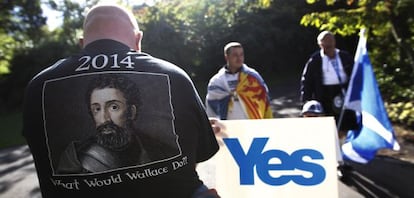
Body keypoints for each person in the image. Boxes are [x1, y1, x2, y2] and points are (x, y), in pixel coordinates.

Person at [22, 3, 219, 198]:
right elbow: (187, 169)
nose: (105, 118)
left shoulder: (37, 87)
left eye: (113, 106)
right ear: (138, 40)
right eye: (97, 109)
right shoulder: (176, 76)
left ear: (82, 44)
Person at [300, 30, 357, 131]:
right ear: (320, 45)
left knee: (346, 122)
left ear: (334, 42)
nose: (328, 48)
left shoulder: (344, 57)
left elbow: (355, 74)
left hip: (343, 91)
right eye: (325, 46)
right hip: (323, 94)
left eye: (330, 45)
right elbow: (307, 80)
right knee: (328, 124)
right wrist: (306, 100)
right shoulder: (315, 60)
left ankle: (344, 142)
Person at [205, 42, 273, 120]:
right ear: (227, 57)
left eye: (241, 54)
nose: (239, 58)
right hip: (229, 128)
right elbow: (211, 108)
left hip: (252, 125)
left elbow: (264, 99)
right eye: (235, 55)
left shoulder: (253, 77)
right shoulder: (216, 82)